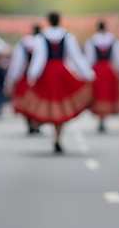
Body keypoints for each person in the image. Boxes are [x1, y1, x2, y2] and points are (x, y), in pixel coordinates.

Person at [25, 11, 95, 153]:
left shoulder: (41, 37)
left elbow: (39, 58)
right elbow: (76, 57)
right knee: (61, 106)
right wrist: (88, 74)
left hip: (47, 73)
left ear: (48, 21)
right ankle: (58, 136)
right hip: (61, 72)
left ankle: (54, 135)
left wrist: (32, 75)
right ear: (59, 21)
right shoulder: (67, 36)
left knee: (51, 104)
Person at [84, 20, 119, 131]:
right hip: (109, 70)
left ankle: (100, 118)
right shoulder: (113, 40)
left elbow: (90, 59)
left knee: (98, 94)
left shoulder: (92, 41)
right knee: (106, 94)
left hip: (97, 70)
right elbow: (118, 58)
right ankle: (103, 119)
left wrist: (87, 72)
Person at [4, 25, 42, 134]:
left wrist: (12, 79)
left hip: (25, 76)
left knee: (26, 102)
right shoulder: (43, 42)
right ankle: (36, 123)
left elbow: (17, 63)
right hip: (39, 78)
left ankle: (30, 124)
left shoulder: (24, 43)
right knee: (38, 102)